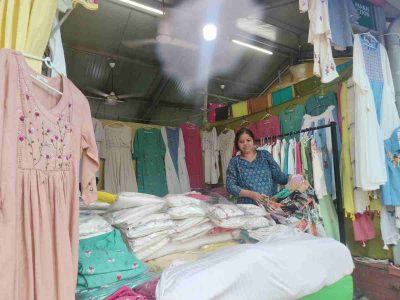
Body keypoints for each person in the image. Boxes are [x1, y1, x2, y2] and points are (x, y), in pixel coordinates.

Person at [226, 127, 290, 205]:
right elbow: (230, 186)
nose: (245, 143)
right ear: (237, 144)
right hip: (248, 208)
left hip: (270, 205)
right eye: (241, 142)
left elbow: (278, 175)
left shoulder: (264, 155)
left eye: (248, 140)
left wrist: (292, 177)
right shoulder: (234, 162)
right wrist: (252, 195)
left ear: (253, 140)